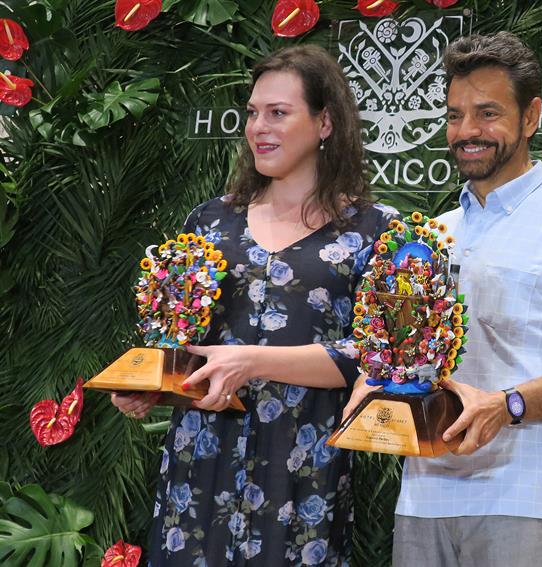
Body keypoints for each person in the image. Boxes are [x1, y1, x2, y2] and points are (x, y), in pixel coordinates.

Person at [344, 32, 542, 566]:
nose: (467, 132)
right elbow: (408, 355)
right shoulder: (432, 234)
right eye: (455, 116)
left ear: (531, 117)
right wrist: (377, 379)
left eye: (487, 113)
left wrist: (508, 406)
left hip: (523, 500)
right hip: (423, 498)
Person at [111, 45, 397, 566]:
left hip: (303, 474)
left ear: (325, 122)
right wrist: (154, 382)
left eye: (278, 113)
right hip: (199, 469)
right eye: (252, 113)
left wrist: (251, 362)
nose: (259, 127)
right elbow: (182, 339)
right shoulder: (210, 221)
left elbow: (376, 357)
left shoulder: (373, 231)